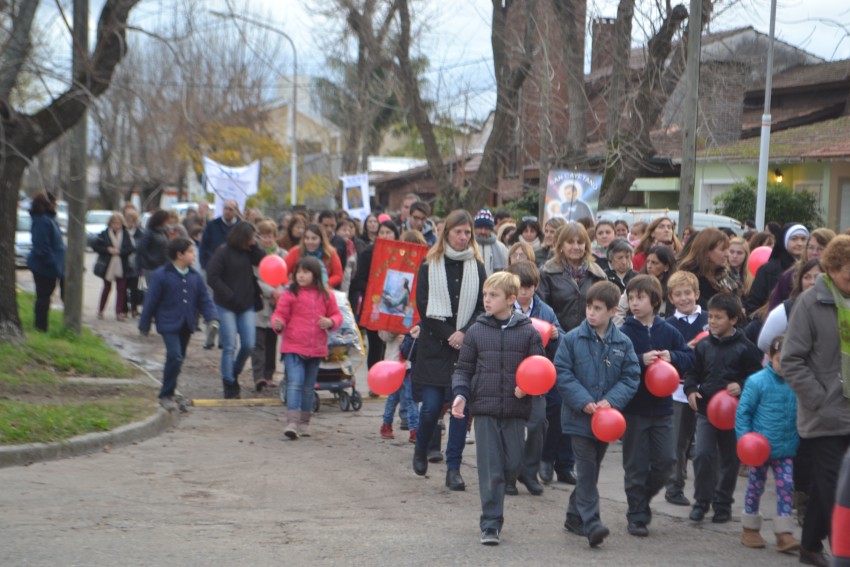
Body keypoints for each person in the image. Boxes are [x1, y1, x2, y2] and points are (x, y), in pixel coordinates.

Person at [450, 271, 545, 545]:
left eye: (493, 295)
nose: (487, 300)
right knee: (490, 468)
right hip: (485, 409)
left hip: (516, 410)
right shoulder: (477, 331)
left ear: (511, 299)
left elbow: (541, 369)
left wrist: (528, 387)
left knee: (513, 464)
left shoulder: (528, 332)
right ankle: (491, 523)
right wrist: (461, 395)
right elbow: (463, 369)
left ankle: (504, 483)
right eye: (485, 295)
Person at [556, 281, 640, 547]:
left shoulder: (623, 342)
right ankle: (591, 523)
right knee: (588, 469)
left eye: (598, 308)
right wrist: (583, 401)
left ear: (613, 311)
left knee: (589, 471)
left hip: (606, 422)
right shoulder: (572, 339)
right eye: (589, 307)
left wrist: (611, 401)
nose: (591, 313)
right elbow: (562, 373)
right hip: (578, 418)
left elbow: (631, 376)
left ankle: (573, 514)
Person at [782, 235, 850, 567]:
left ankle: (809, 545)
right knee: (834, 486)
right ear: (833, 269)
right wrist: (818, 399)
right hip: (824, 414)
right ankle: (842, 551)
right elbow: (791, 359)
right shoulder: (810, 303)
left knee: (836, 487)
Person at [411, 209, 485, 492]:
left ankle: (453, 469)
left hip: (464, 349)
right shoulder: (430, 264)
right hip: (434, 346)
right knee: (430, 407)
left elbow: (482, 305)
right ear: (447, 234)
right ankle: (421, 449)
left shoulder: (476, 266)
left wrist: (464, 333)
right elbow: (423, 305)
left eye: (468, 233)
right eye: (459, 232)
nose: (464, 237)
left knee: (459, 410)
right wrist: (448, 335)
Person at [619, 275, 695, 537]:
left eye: (640, 298)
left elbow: (689, 356)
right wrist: (641, 359)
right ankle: (637, 515)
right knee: (636, 465)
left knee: (666, 462)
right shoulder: (624, 332)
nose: (635, 303)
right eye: (631, 298)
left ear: (654, 300)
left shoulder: (668, 331)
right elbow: (614, 362)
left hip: (663, 409)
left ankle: (641, 500)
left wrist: (671, 356)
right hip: (634, 409)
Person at [684, 293, 763, 524]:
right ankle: (701, 502)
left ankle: (723, 504)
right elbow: (692, 371)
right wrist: (690, 389)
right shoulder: (704, 345)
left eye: (719, 317)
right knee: (703, 455)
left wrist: (741, 385)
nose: (713, 321)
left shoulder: (746, 348)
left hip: (734, 415)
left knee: (730, 460)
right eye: (712, 317)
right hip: (707, 410)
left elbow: (757, 377)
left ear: (734, 319)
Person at [735, 334, 800, 553]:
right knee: (755, 486)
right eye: (780, 359)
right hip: (758, 450)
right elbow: (743, 413)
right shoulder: (757, 382)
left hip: (786, 448)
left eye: (789, 360)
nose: (784, 365)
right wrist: (744, 442)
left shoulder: (797, 382)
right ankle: (750, 528)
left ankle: (784, 532)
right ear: (770, 357)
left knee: (786, 487)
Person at [138, 237, 218, 412]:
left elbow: (204, 300)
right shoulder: (162, 275)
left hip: (186, 324)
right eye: (190, 252)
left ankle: (171, 391)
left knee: (178, 359)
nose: (194, 255)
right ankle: (165, 395)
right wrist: (144, 323)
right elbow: (151, 300)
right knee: (175, 356)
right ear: (179, 254)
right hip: (168, 323)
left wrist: (212, 318)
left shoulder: (195, 277)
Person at [504, 261, 562, 496]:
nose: (524, 292)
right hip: (509, 375)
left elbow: (561, 338)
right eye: (520, 287)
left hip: (537, 378)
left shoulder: (545, 310)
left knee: (538, 422)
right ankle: (509, 475)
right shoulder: (505, 307)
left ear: (535, 287)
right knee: (511, 427)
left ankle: (529, 471)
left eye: (528, 287)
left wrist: (557, 335)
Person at [271, 256, 342, 439]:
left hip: (316, 348)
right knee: (295, 383)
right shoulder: (290, 293)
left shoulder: (326, 295)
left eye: (305, 272)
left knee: (309, 387)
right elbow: (280, 314)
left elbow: (336, 315)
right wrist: (277, 324)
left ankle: (304, 422)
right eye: (298, 272)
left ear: (315, 274)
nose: (301, 276)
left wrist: (330, 321)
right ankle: (292, 422)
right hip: (293, 347)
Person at [663, 271, 708, 507]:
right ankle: (674, 487)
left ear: (697, 294)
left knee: (705, 445)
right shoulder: (668, 325)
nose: (683, 298)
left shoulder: (710, 320)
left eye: (687, 293)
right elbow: (665, 358)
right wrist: (686, 350)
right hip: (678, 390)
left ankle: (707, 491)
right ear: (671, 298)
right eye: (678, 294)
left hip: (709, 389)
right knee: (678, 442)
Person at [206, 221, 266, 399]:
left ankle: (234, 370)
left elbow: (262, 260)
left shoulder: (249, 252)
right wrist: (229, 295)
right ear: (242, 237)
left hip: (246, 304)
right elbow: (212, 276)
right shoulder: (223, 251)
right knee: (230, 345)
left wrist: (255, 246)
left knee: (248, 344)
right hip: (226, 305)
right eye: (251, 237)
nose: (252, 240)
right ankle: (229, 382)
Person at [349, 220, 400, 371]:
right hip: (375, 305)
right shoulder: (368, 253)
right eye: (382, 233)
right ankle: (374, 377)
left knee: (392, 343)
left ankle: (390, 377)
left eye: (388, 232)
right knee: (375, 344)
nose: (385, 235)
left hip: (395, 306)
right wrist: (377, 289)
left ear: (395, 235)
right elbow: (358, 281)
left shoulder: (402, 252)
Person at [757, 258, 822, 354]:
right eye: (807, 277)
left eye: (817, 277)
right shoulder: (786, 310)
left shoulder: (837, 307)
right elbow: (764, 343)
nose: (812, 282)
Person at [251, 220, 288, 392]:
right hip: (261, 301)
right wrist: (270, 292)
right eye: (264, 236)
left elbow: (286, 276)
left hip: (278, 302)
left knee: (272, 340)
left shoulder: (283, 254)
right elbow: (255, 279)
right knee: (259, 340)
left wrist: (279, 292)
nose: (267, 240)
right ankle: (258, 375)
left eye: (270, 236)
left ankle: (269, 374)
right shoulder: (255, 256)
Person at [745, 223, 808, 314]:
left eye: (803, 239)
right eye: (794, 239)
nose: (799, 243)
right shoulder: (768, 269)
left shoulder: (810, 267)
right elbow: (753, 304)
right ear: (784, 240)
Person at [768, 227, 835, 310]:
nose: (814, 253)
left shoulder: (838, 276)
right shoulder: (790, 276)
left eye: (820, 249)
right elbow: (774, 309)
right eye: (811, 247)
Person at [27, 193, 65, 332]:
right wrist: (54, 263)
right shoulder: (42, 221)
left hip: (50, 266)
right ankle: (40, 327)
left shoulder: (48, 220)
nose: (56, 206)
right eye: (54, 203)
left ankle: (42, 326)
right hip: (44, 267)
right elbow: (42, 247)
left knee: (45, 297)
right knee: (43, 298)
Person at [677, 228, 738, 310]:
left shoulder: (727, 275)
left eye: (728, 249)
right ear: (706, 252)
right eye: (722, 250)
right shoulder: (688, 278)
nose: (727, 254)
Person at [92, 212, 135, 321]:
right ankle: (100, 311)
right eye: (114, 223)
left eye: (119, 223)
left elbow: (131, 249)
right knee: (106, 288)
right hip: (108, 265)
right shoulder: (104, 234)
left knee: (121, 289)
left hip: (122, 265)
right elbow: (95, 246)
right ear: (110, 223)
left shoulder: (126, 235)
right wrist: (107, 250)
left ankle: (119, 312)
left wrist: (120, 251)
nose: (116, 225)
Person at [283, 223, 343, 290]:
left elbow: (338, 275)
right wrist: (291, 285)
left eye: (314, 238)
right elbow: (283, 272)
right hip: (299, 291)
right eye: (307, 238)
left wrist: (325, 284)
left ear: (321, 240)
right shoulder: (296, 251)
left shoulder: (330, 252)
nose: (310, 242)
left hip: (323, 290)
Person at [199, 199, 240, 271]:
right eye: (225, 208)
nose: (227, 211)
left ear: (236, 211)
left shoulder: (241, 226)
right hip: (214, 266)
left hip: (234, 268)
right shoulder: (212, 225)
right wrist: (205, 264)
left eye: (230, 209)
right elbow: (203, 245)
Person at [135, 209, 170, 284]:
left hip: (162, 264)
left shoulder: (164, 232)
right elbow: (142, 249)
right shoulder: (149, 233)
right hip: (151, 266)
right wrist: (151, 259)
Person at [474, 209, 508, 276]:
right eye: (480, 228)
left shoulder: (501, 247)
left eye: (486, 228)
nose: (483, 231)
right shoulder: (468, 246)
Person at [123, 209, 143, 318]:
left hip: (135, 263)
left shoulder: (140, 232)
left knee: (134, 287)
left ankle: (134, 309)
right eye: (128, 219)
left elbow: (141, 247)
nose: (130, 222)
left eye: (132, 220)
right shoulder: (123, 231)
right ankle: (124, 308)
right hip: (125, 262)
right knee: (124, 287)